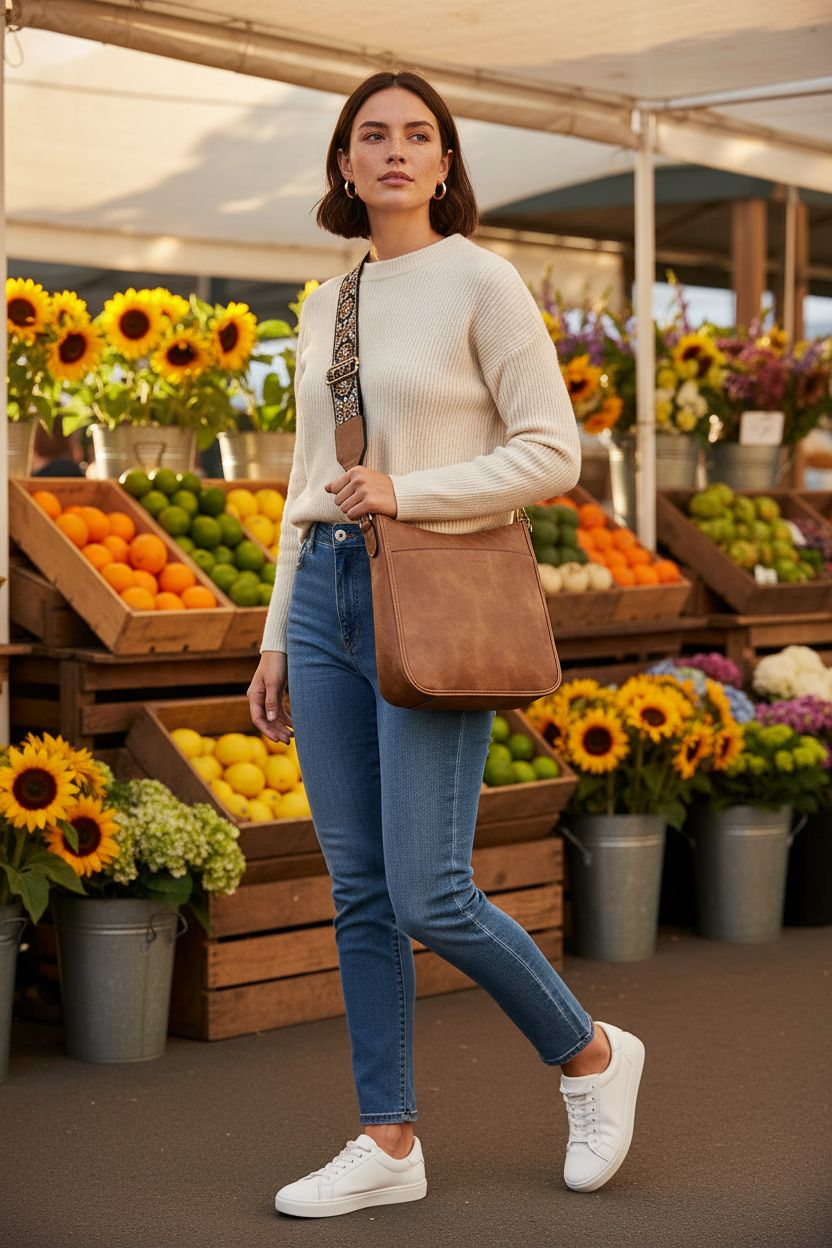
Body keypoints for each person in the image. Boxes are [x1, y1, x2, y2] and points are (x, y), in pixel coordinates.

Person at [248, 68, 645, 1220]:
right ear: (342, 164)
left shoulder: (483, 277)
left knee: (429, 890)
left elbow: (550, 453)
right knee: (359, 889)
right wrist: (277, 635)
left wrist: (407, 492)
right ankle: (388, 1138)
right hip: (324, 595)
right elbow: (303, 484)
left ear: (445, 163)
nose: (394, 152)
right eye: (371, 135)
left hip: (431, 592)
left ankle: (589, 1056)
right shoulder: (332, 304)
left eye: (418, 135)